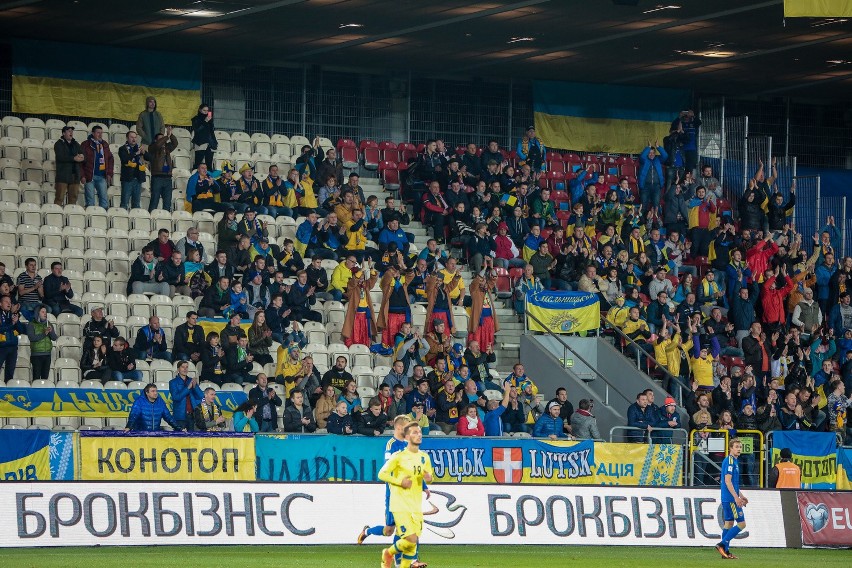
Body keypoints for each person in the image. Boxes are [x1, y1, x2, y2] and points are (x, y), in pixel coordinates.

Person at [378, 422, 434, 568]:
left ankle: (393, 556)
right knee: (410, 538)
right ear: (407, 436)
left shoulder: (424, 457)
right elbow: (382, 474)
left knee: (412, 541)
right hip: (400, 504)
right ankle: (392, 555)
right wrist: (399, 481)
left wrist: (428, 480)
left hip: (415, 504)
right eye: (415, 432)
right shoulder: (398, 456)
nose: (419, 434)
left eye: (420, 432)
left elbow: (426, 475)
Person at [716, 438, 748, 559]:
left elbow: (733, 483)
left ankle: (726, 552)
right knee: (742, 524)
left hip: (728, 497)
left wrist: (741, 495)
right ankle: (722, 544)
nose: (739, 449)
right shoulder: (730, 461)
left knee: (729, 523)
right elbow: (727, 481)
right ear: (730, 448)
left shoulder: (733, 461)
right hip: (730, 498)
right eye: (736, 447)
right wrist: (736, 498)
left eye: (740, 447)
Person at [80, 125, 113, 209]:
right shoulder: (86, 144)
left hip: (102, 176)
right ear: (93, 133)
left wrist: (109, 173)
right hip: (89, 176)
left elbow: (110, 159)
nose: (100, 135)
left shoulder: (104, 144)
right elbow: (80, 162)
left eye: (101, 133)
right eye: (98, 132)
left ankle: (103, 218)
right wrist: (82, 175)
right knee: (90, 200)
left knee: (104, 200)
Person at [147, 128, 179, 212]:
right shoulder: (152, 147)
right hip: (157, 178)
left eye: (163, 138)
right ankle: (151, 217)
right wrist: (166, 137)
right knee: (154, 201)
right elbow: (158, 145)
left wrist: (170, 135)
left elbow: (175, 143)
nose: (163, 140)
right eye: (160, 138)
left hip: (168, 177)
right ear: (155, 140)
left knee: (167, 203)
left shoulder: (167, 147)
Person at [53, 125, 84, 206]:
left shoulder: (76, 143)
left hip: (75, 175)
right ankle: (57, 215)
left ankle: (71, 215)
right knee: (59, 198)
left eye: (72, 131)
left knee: (73, 198)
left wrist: (82, 157)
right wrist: (73, 158)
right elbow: (60, 157)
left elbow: (82, 153)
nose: (71, 133)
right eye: (69, 131)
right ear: (63, 133)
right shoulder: (58, 144)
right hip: (63, 175)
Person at [25, 305, 57, 382]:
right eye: (43, 312)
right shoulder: (31, 324)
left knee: (45, 379)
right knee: (36, 378)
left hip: (47, 355)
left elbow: (54, 338)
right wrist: (44, 333)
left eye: (46, 312)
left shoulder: (48, 323)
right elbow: (32, 338)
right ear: (37, 313)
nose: (45, 313)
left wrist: (51, 331)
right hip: (36, 355)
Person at [169, 360, 203, 431]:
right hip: (180, 417)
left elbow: (201, 396)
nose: (185, 369)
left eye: (187, 367)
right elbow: (176, 397)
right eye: (183, 367)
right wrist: (188, 388)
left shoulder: (191, 380)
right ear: (178, 369)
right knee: (180, 439)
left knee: (193, 440)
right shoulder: (173, 382)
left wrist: (195, 387)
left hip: (193, 416)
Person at [118, 130, 147, 210]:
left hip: (138, 179)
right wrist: (135, 153)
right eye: (132, 137)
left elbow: (150, 158)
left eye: (135, 137)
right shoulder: (122, 149)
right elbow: (124, 159)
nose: (134, 139)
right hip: (127, 179)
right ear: (127, 138)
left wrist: (144, 153)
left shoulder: (139, 148)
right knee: (124, 203)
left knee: (136, 204)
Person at [191, 102, 217, 170]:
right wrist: (205, 121)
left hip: (209, 143)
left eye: (207, 111)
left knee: (209, 163)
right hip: (200, 142)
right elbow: (197, 129)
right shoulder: (196, 119)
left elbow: (211, 131)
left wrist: (214, 141)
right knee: (198, 162)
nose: (205, 112)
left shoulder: (209, 120)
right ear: (200, 110)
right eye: (204, 110)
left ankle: (208, 178)